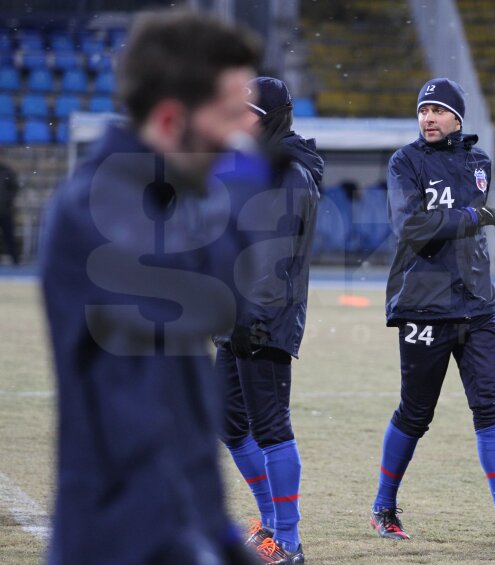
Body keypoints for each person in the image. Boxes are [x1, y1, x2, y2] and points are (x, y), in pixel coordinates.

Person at [39, 11, 267, 565]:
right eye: (230, 116)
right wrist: (244, 187)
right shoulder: (93, 212)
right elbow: (216, 292)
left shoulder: (172, 200)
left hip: (182, 527)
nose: (245, 133)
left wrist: (218, 533)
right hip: (123, 539)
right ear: (169, 122)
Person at [369, 77, 495, 546]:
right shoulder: (404, 162)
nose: (427, 117)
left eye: (436, 110)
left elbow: (459, 230)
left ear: (457, 117)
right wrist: (471, 218)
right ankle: (382, 507)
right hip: (424, 306)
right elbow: (412, 227)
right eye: (421, 110)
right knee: (415, 412)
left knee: (492, 407)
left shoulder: (478, 163)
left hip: (478, 306)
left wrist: (471, 226)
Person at [214, 76, 322, 565]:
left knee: (272, 427)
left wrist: (252, 317)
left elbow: (274, 261)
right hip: (233, 317)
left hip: (262, 320)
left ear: (272, 118)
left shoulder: (288, 174)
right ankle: (270, 523)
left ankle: (290, 543)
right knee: (229, 421)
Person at [0, 153, 20, 265]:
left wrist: (8, 200)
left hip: (5, 210)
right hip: (5, 209)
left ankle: (15, 259)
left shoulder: (8, 172)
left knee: (9, 235)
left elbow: (14, 188)